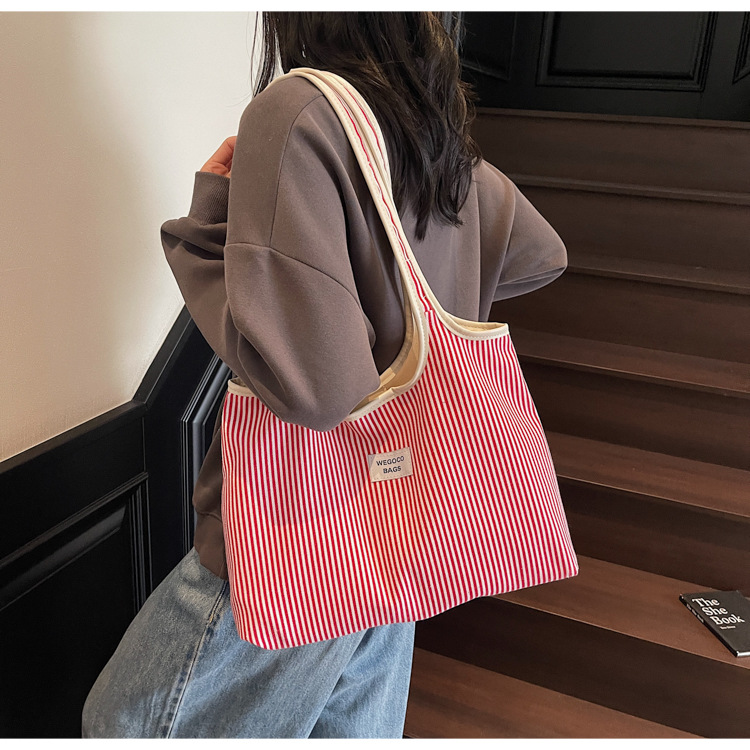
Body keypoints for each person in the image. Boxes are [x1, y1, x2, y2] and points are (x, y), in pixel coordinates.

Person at [82, 11, 567, 739]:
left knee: (122, 724)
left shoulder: (297, 111)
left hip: (301, 534)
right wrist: (441, 275)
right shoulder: (429, 134)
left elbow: (321, 390)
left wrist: (206, 231)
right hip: (401, 536)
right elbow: (543, 254)